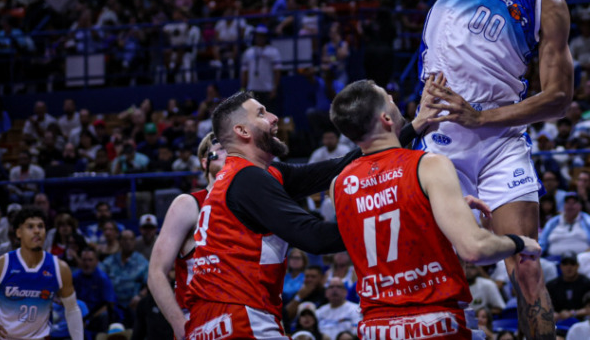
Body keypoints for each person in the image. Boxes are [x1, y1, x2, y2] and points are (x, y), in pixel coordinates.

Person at [415, 0, 578, 340]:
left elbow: (559, 97)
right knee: (437, 264)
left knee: (526, 263)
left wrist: (482, 117)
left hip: (499, 139)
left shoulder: (547, 1)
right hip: (441, 136)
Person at [185, 90, 430, 340]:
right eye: (261, 113)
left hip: (219, 317)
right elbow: (314, 237)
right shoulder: (247, 179)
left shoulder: (250, 175)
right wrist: (398, 218)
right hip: (238, 317)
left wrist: (415, 127)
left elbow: (338, 167)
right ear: (243, 132)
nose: (274, 117)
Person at [329, 79, 542, 340]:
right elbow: (475, 250)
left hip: (376, 328)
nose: (396, 102)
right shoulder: (429, 165)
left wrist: (438, 210)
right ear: (386, 118)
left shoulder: (339, 184)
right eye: (390, 98)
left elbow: (391, 223)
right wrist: (519, 242)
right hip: (434, 322)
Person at [147, 133, 225, 339]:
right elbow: (156, 273)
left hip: (242, 317)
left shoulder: (250, 205)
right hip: (201, 322)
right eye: (220, 147)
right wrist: (180, 326)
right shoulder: (188, 204)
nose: (229, 152)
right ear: (205, 161)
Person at [0, 207, 83, 340]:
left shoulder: (59, 268)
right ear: (18, 233)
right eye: (30, 227)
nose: (37, 231)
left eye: (41, 226)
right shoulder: (0, 265)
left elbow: (72, 309)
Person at [547, 256, 590, 321]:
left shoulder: (588, 284)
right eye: (565, 264)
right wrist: (553, 314)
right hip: (557, 321)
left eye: (572, 264)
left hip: (583, 320)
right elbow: (544, 307)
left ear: (577, 266)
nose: (569, 267)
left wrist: (572, 313)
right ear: (560, 267)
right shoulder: (551, 285)